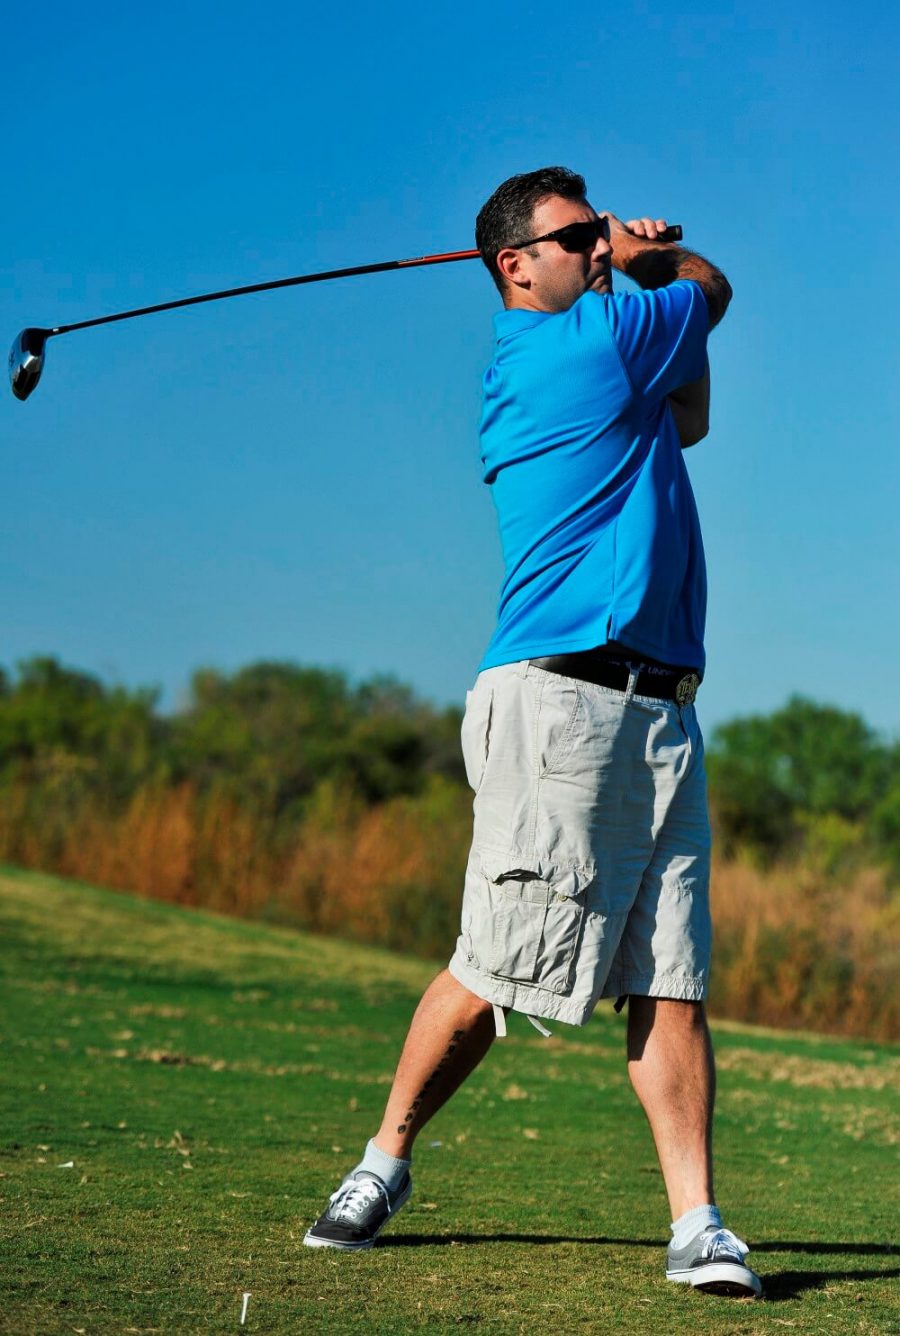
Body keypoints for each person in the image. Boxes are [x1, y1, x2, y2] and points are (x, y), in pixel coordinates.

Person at [304, 166, 762, 1299]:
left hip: (664, 708)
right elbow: (715, 283)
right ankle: (380, 1163)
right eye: (575, 238)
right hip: (561, 700)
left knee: (672, 978)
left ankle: (697, 1225)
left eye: (595, 239)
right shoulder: (570, 352)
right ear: (516, 265)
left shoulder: (620, 351)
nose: (596, 252)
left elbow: (691, 414)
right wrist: (649, 253)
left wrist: (621, 262)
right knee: (496, 962)